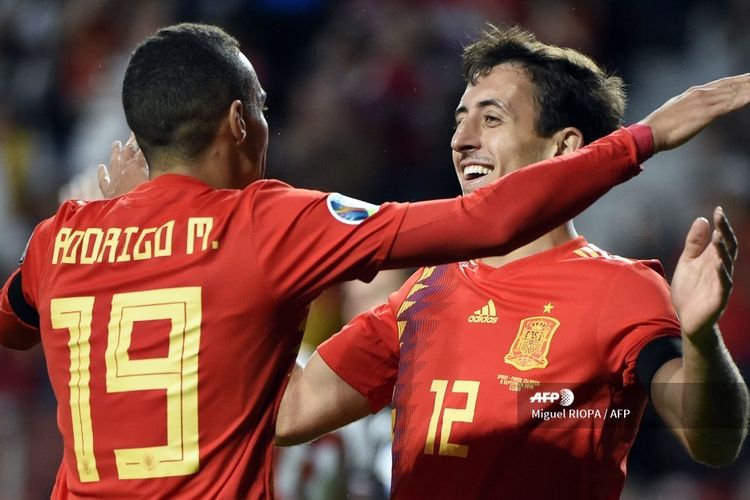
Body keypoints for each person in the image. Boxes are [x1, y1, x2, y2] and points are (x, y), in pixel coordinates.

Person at [274, 26, 750, 499]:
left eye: (492, 119)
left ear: (563, 148)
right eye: (460, 119)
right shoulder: (426, 289)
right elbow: (291, 414)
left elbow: (711, 441)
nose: (462, 140)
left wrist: (702, 338)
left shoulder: (622, 289)